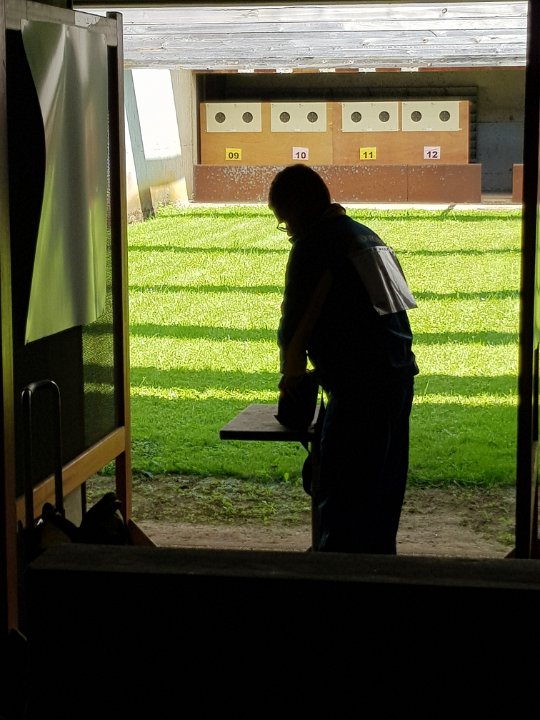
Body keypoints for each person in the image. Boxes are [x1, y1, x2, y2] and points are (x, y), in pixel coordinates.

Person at [268, 164, 419, 554]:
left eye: (284, 222)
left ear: (297, 211)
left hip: (359, 392)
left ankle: (335, 575)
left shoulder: (314, 245)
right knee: (381, 498)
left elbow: (294, 326)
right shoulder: (368, 237)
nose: (288, 232)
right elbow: (389, 318)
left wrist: (292, 378)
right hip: (400, 381)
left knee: (342, 499)